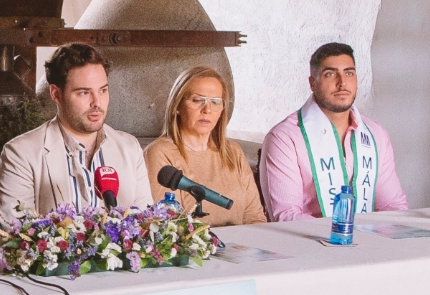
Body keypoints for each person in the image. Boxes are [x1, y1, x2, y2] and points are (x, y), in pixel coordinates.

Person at [0, 42, 150, 220]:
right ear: (56, 94)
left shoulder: (129, 148)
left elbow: (144, 224)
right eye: (84, 93)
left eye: (103, 90)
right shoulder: (21, 154)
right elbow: (17, 234)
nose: (97, 102)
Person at [258, 41, 410, 222]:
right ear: (312, 83)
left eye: (349, 73)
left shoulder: (376, 134)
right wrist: (343, 235)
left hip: (368, 241)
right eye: (330, 74)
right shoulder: (284, 138)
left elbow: (393, 206)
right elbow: (285, 215)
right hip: (307, 245)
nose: (342, 82)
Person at [144, 65, 267, 226]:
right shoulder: (160, 153)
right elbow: (167, 226)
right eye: (197, 100)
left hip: (241, 247)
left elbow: (254, 217)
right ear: (177, 105)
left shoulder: (233, 152)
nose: (207, 109)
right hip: (194, 249)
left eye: (215, 102)